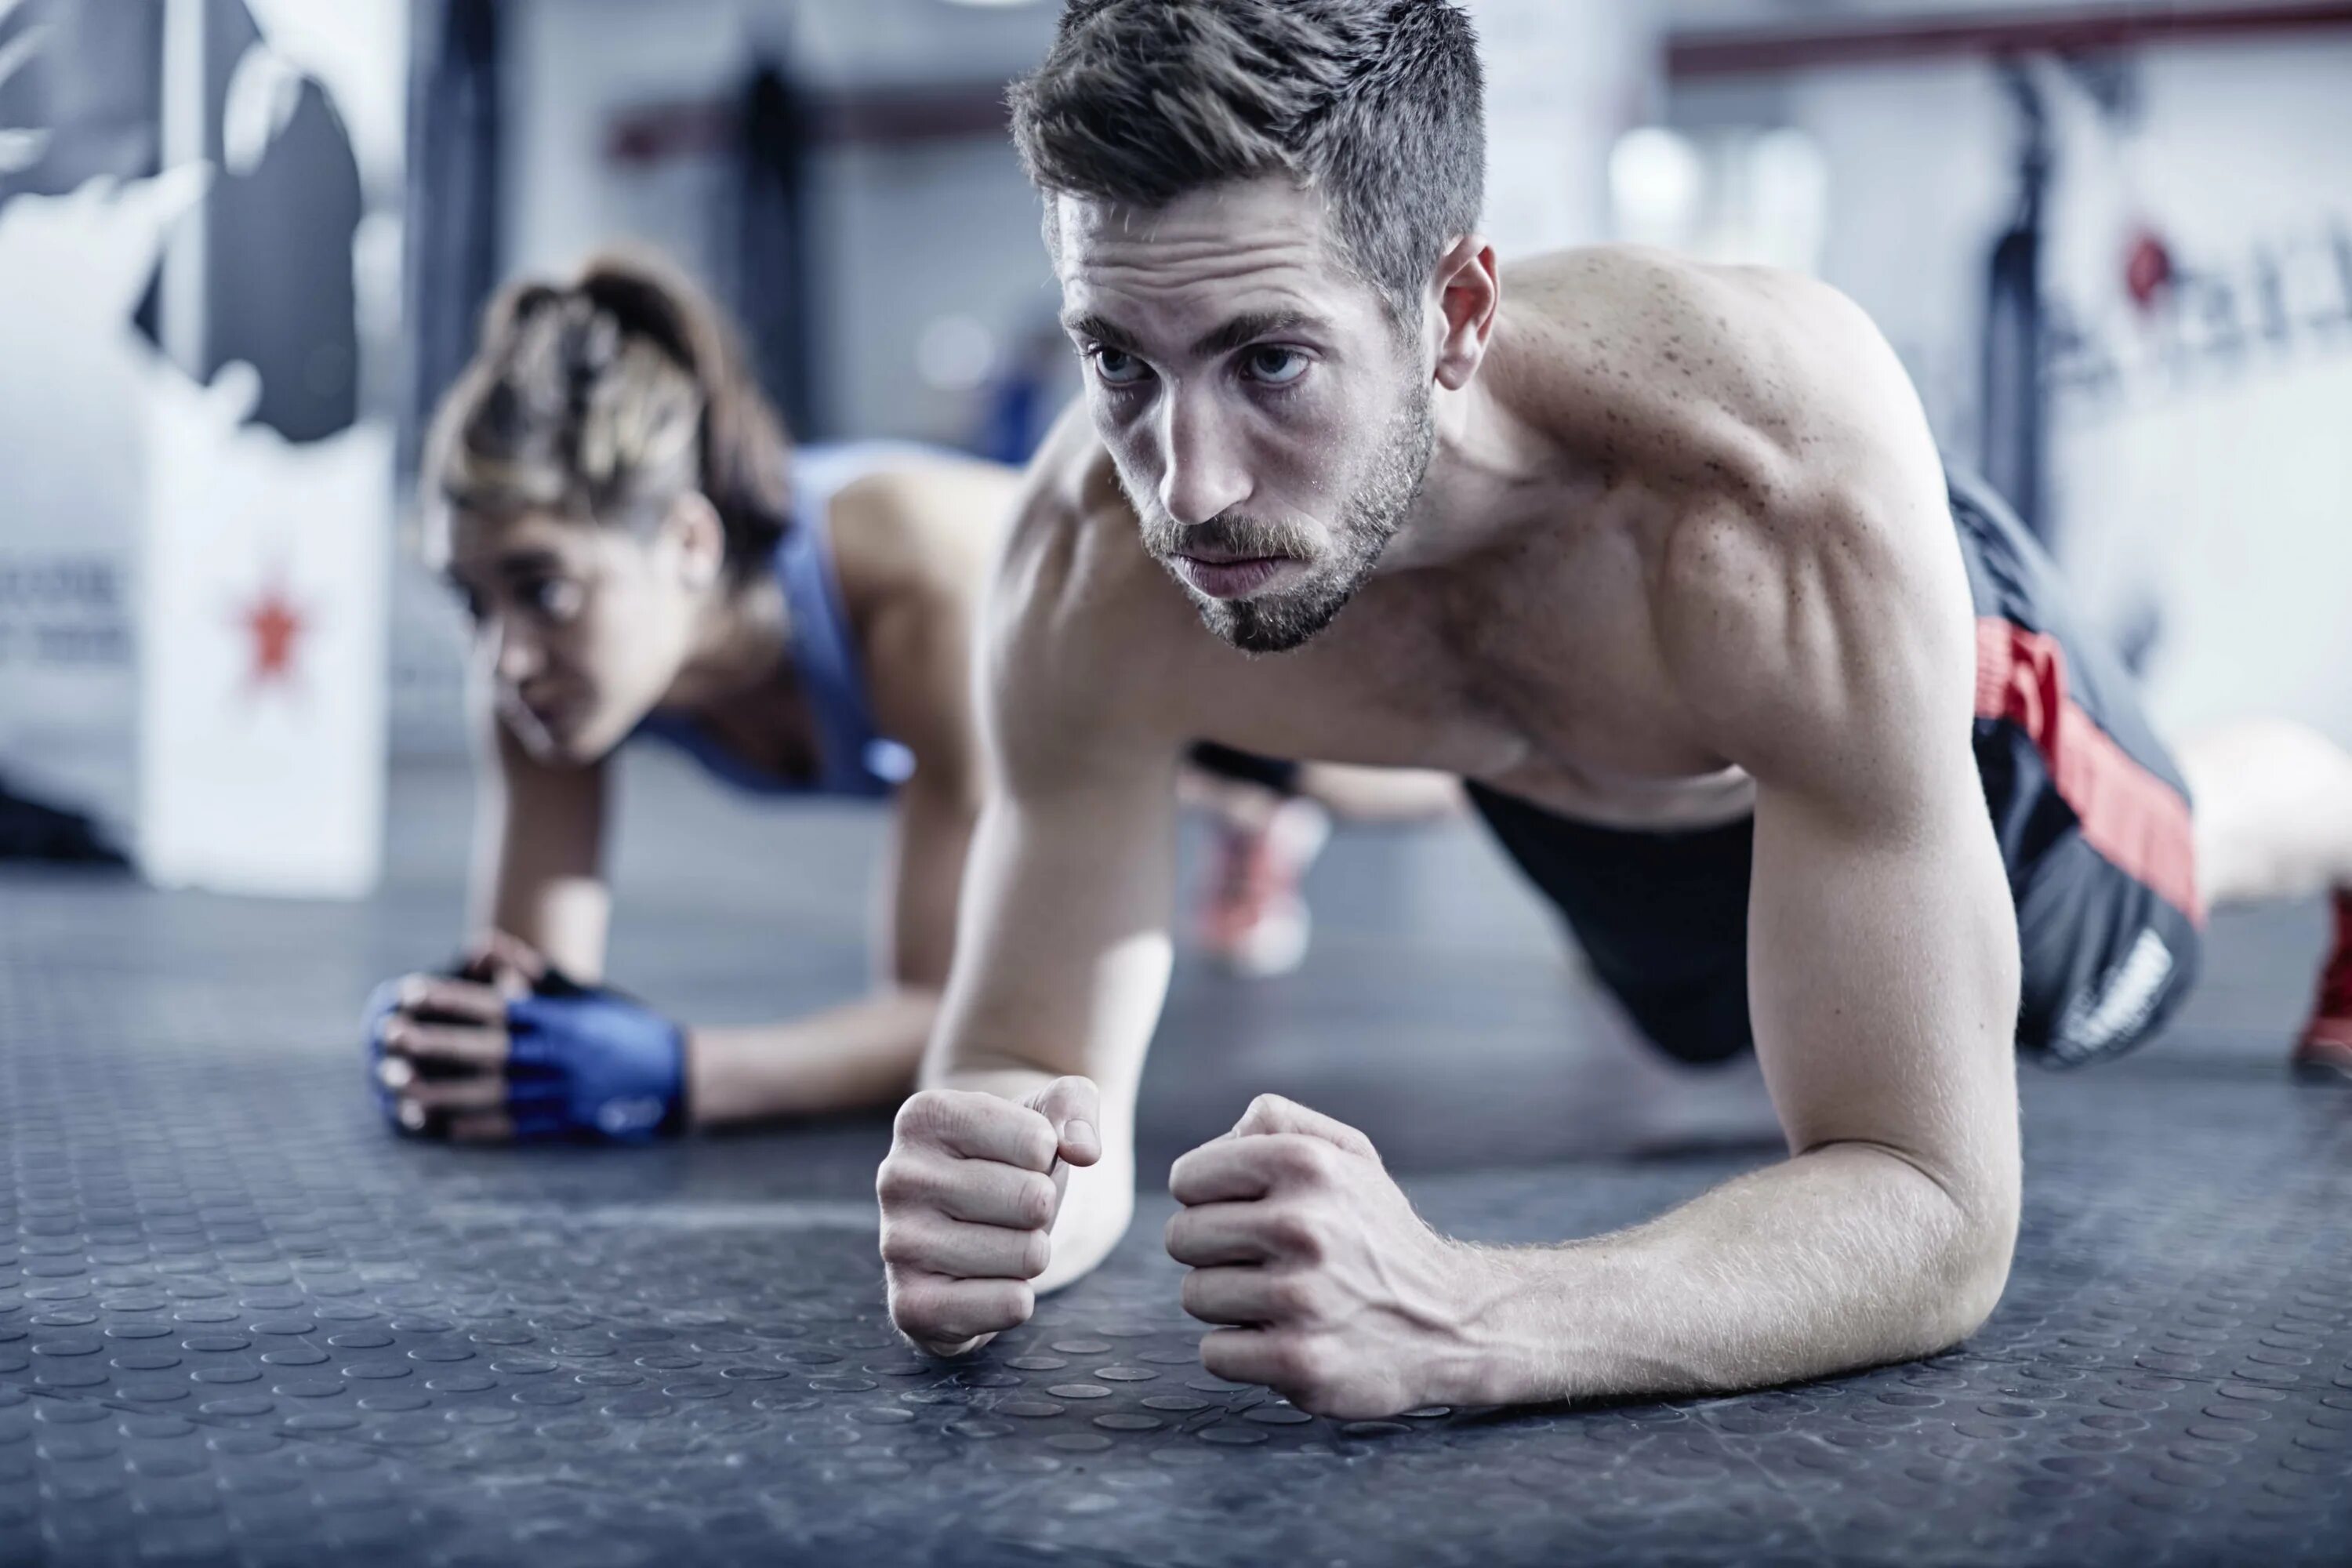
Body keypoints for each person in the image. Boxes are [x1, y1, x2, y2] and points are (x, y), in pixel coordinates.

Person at [873, 0, 2352, 1422]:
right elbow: (1023, 1050)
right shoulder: (1083, 557)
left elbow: (1935, 1211)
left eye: (1270, 361)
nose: (1183, 486)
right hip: (1597, 804)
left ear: (1453, 316)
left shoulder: (1760, 485)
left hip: (1921, 719)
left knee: (2130, 931)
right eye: (1117, 360)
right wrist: (1002, 1202)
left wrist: (1458, 1314)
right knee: (1705, 1037)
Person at [365, 250, 1437, 1142]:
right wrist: (458, 1042)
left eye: (542, 592)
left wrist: (685, 1073)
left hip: (1179, 632)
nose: (505, 655)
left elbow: (950, 1017)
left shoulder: (922, 591)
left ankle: (1262, 803)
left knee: (1435, 775)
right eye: (474, 602)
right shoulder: (538, 669)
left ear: (689, 541)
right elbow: (542, 1008)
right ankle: (1241, 809)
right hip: (1029, 717)